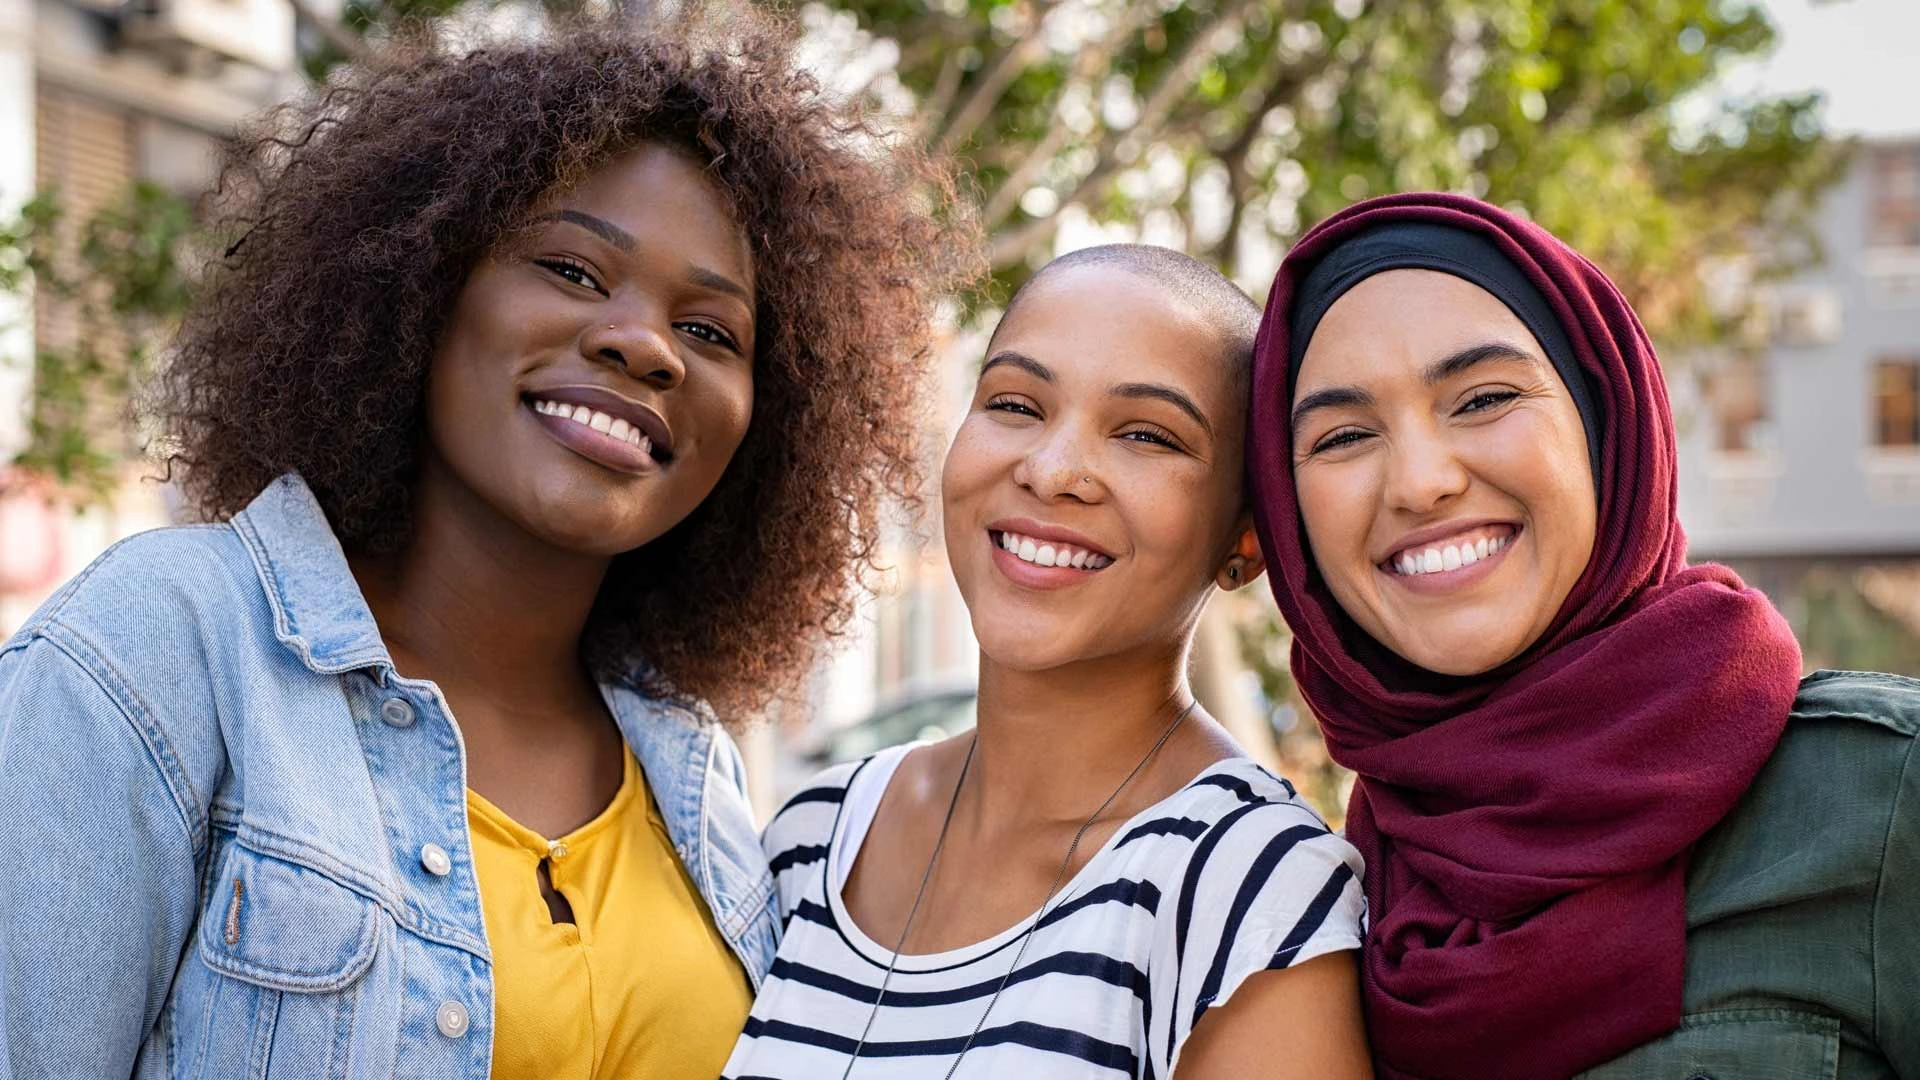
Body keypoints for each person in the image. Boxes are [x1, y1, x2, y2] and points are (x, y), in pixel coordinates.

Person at [0, 14, 975, 1079]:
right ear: (420, 287)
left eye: (710, 332)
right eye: (571, 269)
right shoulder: (164, 649)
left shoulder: (693, 771)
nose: (643, 343)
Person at [1247, 191, 1919, 1080]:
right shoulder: (1311, 912)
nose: (1419, 481)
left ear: (1608, 425)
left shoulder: (1880, 799)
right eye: (1343, 436)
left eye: (1483, 398)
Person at [724, 245, 1373, 1080]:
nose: (1052, 469)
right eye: (1016, 403)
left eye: (1146, 434)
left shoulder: (1251, 887)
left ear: (1246, 541)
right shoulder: (815, 837)